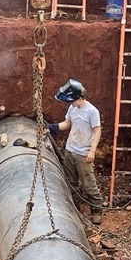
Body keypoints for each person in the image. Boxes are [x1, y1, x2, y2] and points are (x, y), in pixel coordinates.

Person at [49, 79, 103, 224]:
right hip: (70, 150)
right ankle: (75, 209)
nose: (70, 103)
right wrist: (51, 127)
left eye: (72, 100)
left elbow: (97, 131)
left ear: (80, 98)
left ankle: (96, 210)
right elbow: (67, 123)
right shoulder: (73, 109)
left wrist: (92, 151)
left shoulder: (92, 111)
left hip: (83, 153)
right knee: (71, 182)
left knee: (88, 184)